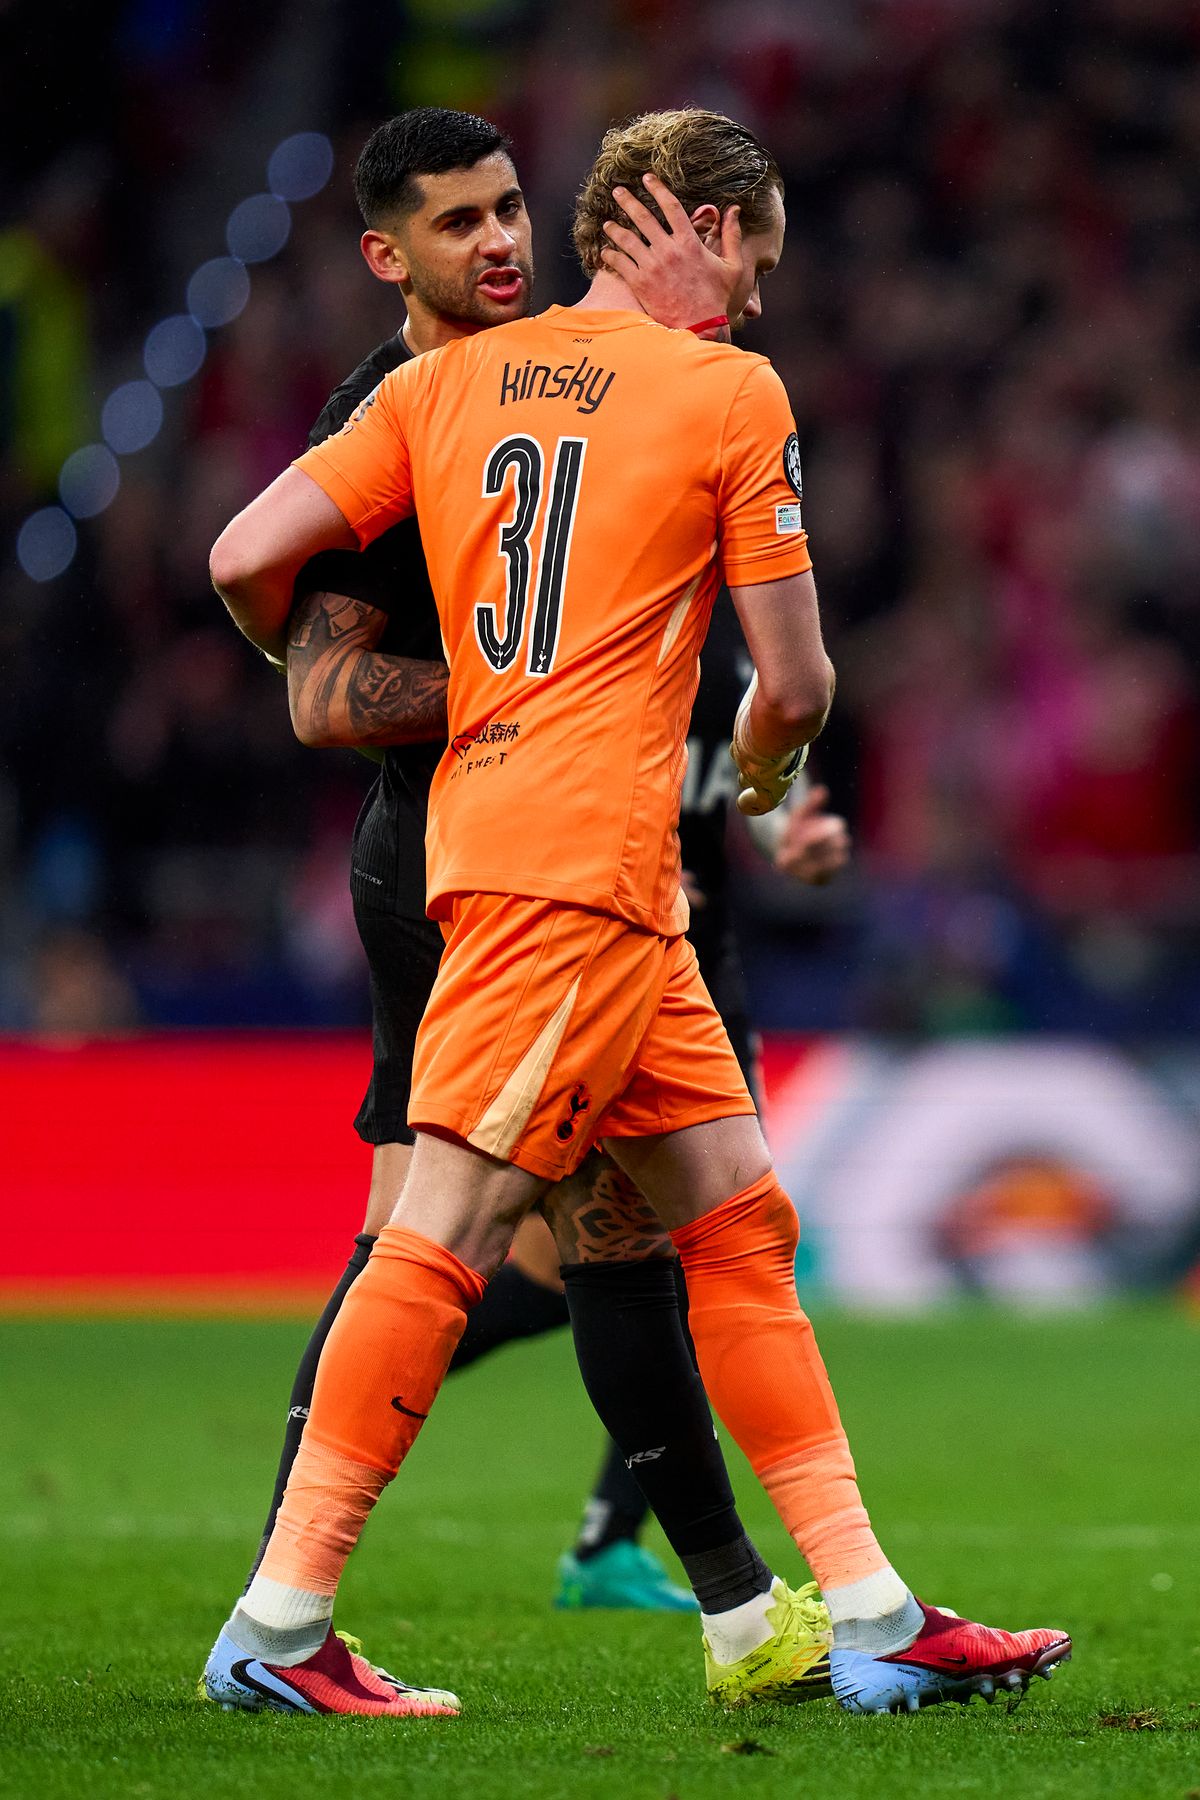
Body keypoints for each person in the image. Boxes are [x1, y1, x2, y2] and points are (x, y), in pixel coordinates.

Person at [206, 106, 1071, 1721]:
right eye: (761, 259)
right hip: (574, 873)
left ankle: (862, 1613)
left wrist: (472, 693)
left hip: (551, 864)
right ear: (713, 233)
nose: (759, 298)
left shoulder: (441, 382)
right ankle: (276, 1623)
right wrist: (756, 768)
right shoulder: (727, 389)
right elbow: (797, 683)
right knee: (449, 1231)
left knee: (735, 1224)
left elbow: (246, 554)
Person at [237, 106, 835, 1708]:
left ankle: (744, 1609)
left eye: (512, 208)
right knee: (449, 1234)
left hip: (598, 849)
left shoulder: (596, 377)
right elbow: (317, 687)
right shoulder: (402, 395)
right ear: (390, 257)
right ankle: (282, 1606)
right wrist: (521, 695)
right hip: (474, 856)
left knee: (650, 1231)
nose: (499, 242)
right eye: (457, 224)